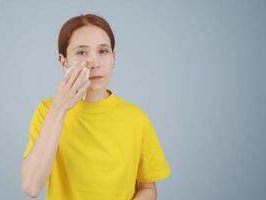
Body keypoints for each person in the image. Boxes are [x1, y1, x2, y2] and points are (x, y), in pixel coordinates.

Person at [21, 13, 171, 200]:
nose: (95, 63)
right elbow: (31, 187)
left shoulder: (136, 118)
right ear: (63, 61)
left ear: (113, 58)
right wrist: (59, 109)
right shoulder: (47, 111)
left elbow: (148, 188)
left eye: (103, 51)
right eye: (82, 52)